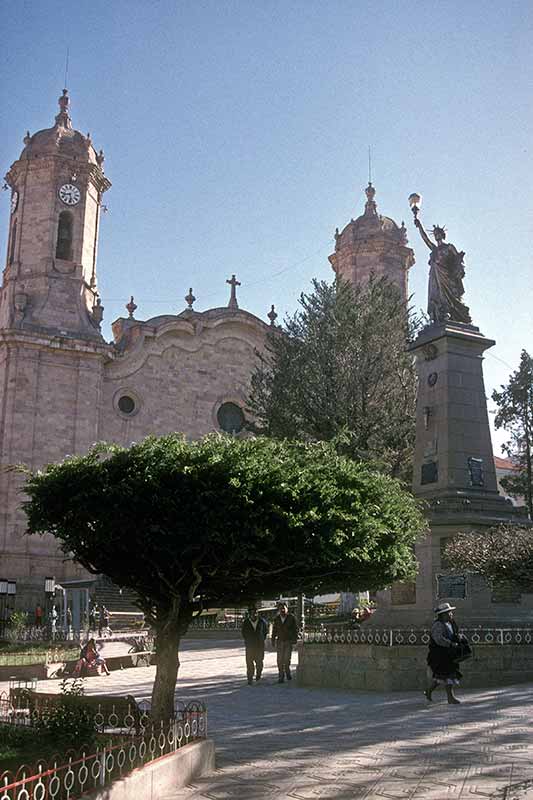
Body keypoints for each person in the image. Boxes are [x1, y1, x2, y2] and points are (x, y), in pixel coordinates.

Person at [414, 218, 471, 325]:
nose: (436, 235)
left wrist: (460, 269)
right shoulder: (434, 249)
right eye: (434, 234)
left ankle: (455, 314)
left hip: (447, 276)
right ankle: (442, 314)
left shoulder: (449, 247)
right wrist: (419, 226)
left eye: (438, 233)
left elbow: (458, 260)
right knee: (437, 296)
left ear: (442, 234)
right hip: (436, 277)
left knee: (453, 297)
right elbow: (425, 239)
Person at [425, 602, 471, 704]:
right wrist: (450, 644)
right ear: (443, 614)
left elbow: (454, 634)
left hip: (449, 654)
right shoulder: (438, 625)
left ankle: (430, 691)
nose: (451, 614)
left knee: (446, 676)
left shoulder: (450, 624)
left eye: (450, 612)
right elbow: (439, 639)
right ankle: (449, 697)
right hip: (440, 655)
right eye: (449, 613)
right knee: (445, 676)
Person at [271, 602, 298, 683]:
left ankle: (287, 672)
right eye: (281, 608)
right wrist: (273, 640)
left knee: (286, 659)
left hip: (288, 641)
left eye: (284, 608)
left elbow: (295, 629)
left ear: (287, 609)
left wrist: (294, 639)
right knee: (279, 660)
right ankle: (281, 676)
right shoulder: (276, 619)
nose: (282, 610)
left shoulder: (291, 618)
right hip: (280, 641)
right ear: (279, 610)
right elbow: (274, 630)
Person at [241, 607, 268, 685]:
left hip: (259, 646)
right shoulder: (246, 622)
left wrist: (261, 639)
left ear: (257, 613)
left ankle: (258, 675)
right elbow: (243, 633)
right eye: (252, 613)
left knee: (259, 662)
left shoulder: (262, 621)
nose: (253, 615)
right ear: (249, 614)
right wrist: (248, 640)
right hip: (250, 646)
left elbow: (265, 631)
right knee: (249, 663)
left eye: (255, 613)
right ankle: (250, 678)